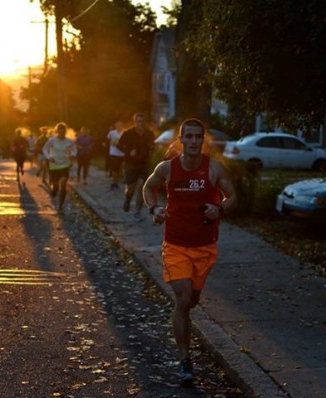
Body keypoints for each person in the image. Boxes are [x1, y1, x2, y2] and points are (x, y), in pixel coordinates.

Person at [142, 118, 238, 386]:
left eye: (198, 137)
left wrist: (219, 209)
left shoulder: (214, 169)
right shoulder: (167, 169)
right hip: (175, 245)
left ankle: (181, 322)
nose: (194, 141)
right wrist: (154, 208)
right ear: (181, 140)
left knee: (191, 301)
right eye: (189, 137)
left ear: (203, 140)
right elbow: (148, 188)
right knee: (183, 299)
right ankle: (185, 360)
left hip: (205, 247)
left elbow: (233, 196)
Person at [116, 112, 155, 222]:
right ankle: (128, 199)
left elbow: (152, 144)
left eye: (142, 121)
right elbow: (119, 145)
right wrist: (128, 152)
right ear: (135, 122)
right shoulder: (128, 133)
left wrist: (151, 148)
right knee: (131, 189)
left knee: (142, 187)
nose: (140, 123)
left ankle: (137, 211)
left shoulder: (149, 133)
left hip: (144, 163)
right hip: (130, 164)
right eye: (138, 121)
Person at [42, 122, 77, 212]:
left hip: (65, 164)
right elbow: (44, 149)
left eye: (63, 131)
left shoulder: (69, 141)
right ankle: (54, 190)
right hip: (54, 165)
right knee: (56, 186)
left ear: (65, 131)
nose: (61, 133)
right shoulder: (52, 140)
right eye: (60, 131)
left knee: (63, 184)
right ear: (57, 131)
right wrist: (49, 157)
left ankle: (61, 206)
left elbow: (74, 149)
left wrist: (73, 154)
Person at [106, 121, 125, 190]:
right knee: (115, 168)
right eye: (118, 125)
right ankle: (114, 182)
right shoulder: (112, 132)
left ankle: (117, 181)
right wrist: (111, 142)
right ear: (115, 125)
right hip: (114, 152)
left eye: (121, 125)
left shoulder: (124, 133)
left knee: (120, 168)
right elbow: (107, 140)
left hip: (122, 153)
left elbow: (126, 142)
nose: (119, 126)